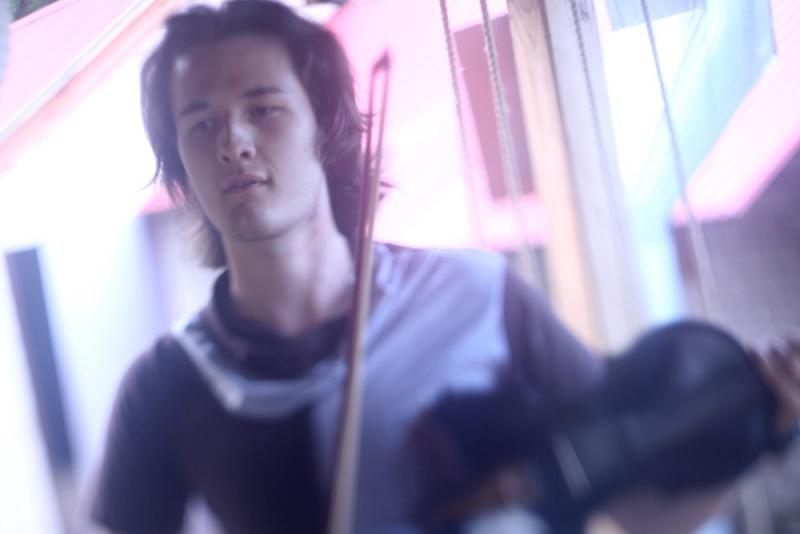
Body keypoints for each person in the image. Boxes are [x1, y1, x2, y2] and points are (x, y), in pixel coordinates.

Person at [91, 1, 800, 532]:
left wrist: (765, 433)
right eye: (201, 124)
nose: (232, 143)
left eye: (264, 109)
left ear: (324, 127)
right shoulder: (161, 387)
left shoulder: (480, 294)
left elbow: (640, 511)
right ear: (179, 162)